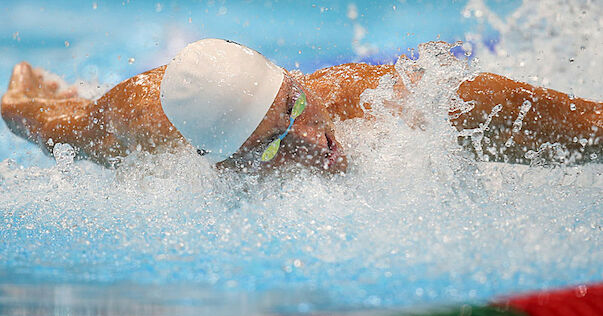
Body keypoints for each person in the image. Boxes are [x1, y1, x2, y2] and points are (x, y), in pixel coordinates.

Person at [1, 39, 601, 173]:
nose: (312, 140)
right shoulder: (138, 124)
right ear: (221, 163)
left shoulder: (394, 104)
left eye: (295, 109)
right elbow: (56, 123)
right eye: (269, 145)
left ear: (296, 80)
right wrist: (18, 104)